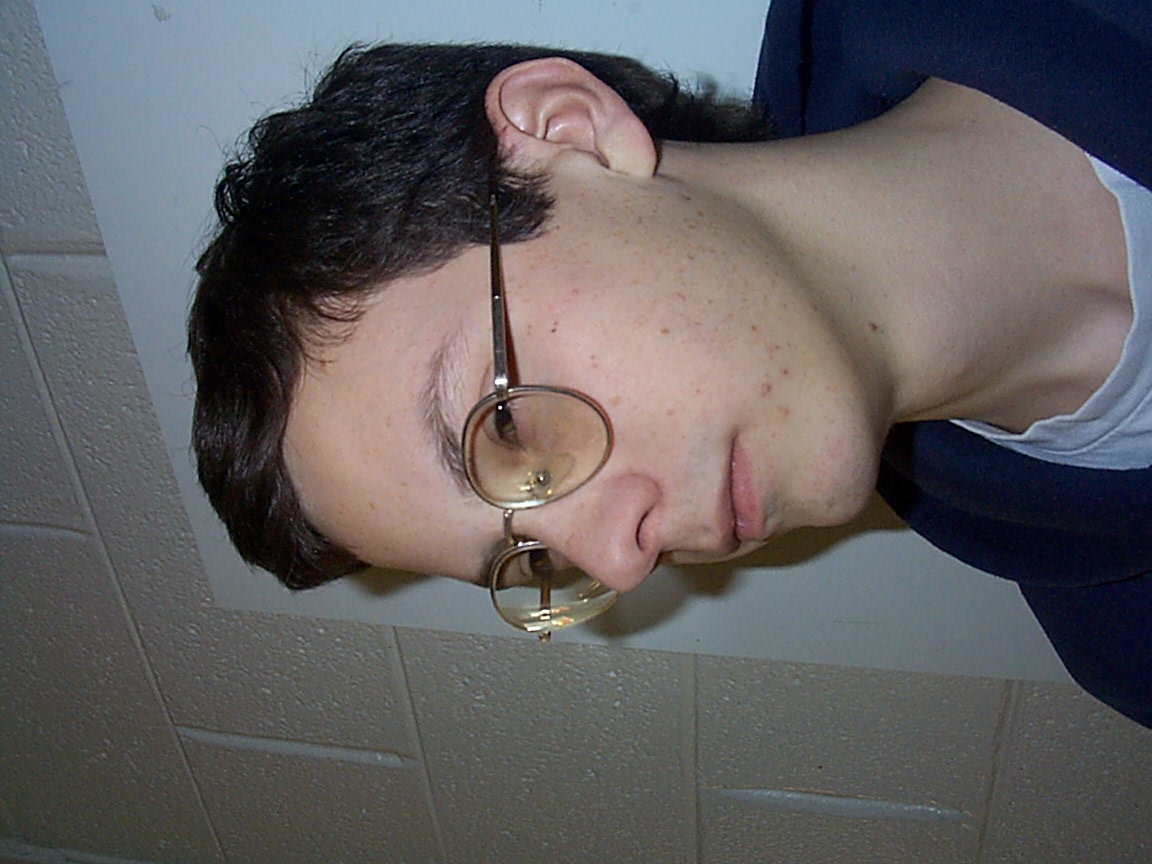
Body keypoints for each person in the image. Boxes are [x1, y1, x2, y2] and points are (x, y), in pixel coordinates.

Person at [189, 1, 1152, 726]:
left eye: (508, 425)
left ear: (565, 130)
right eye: (536, 558)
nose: (622, 557)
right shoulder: (1131, 649)